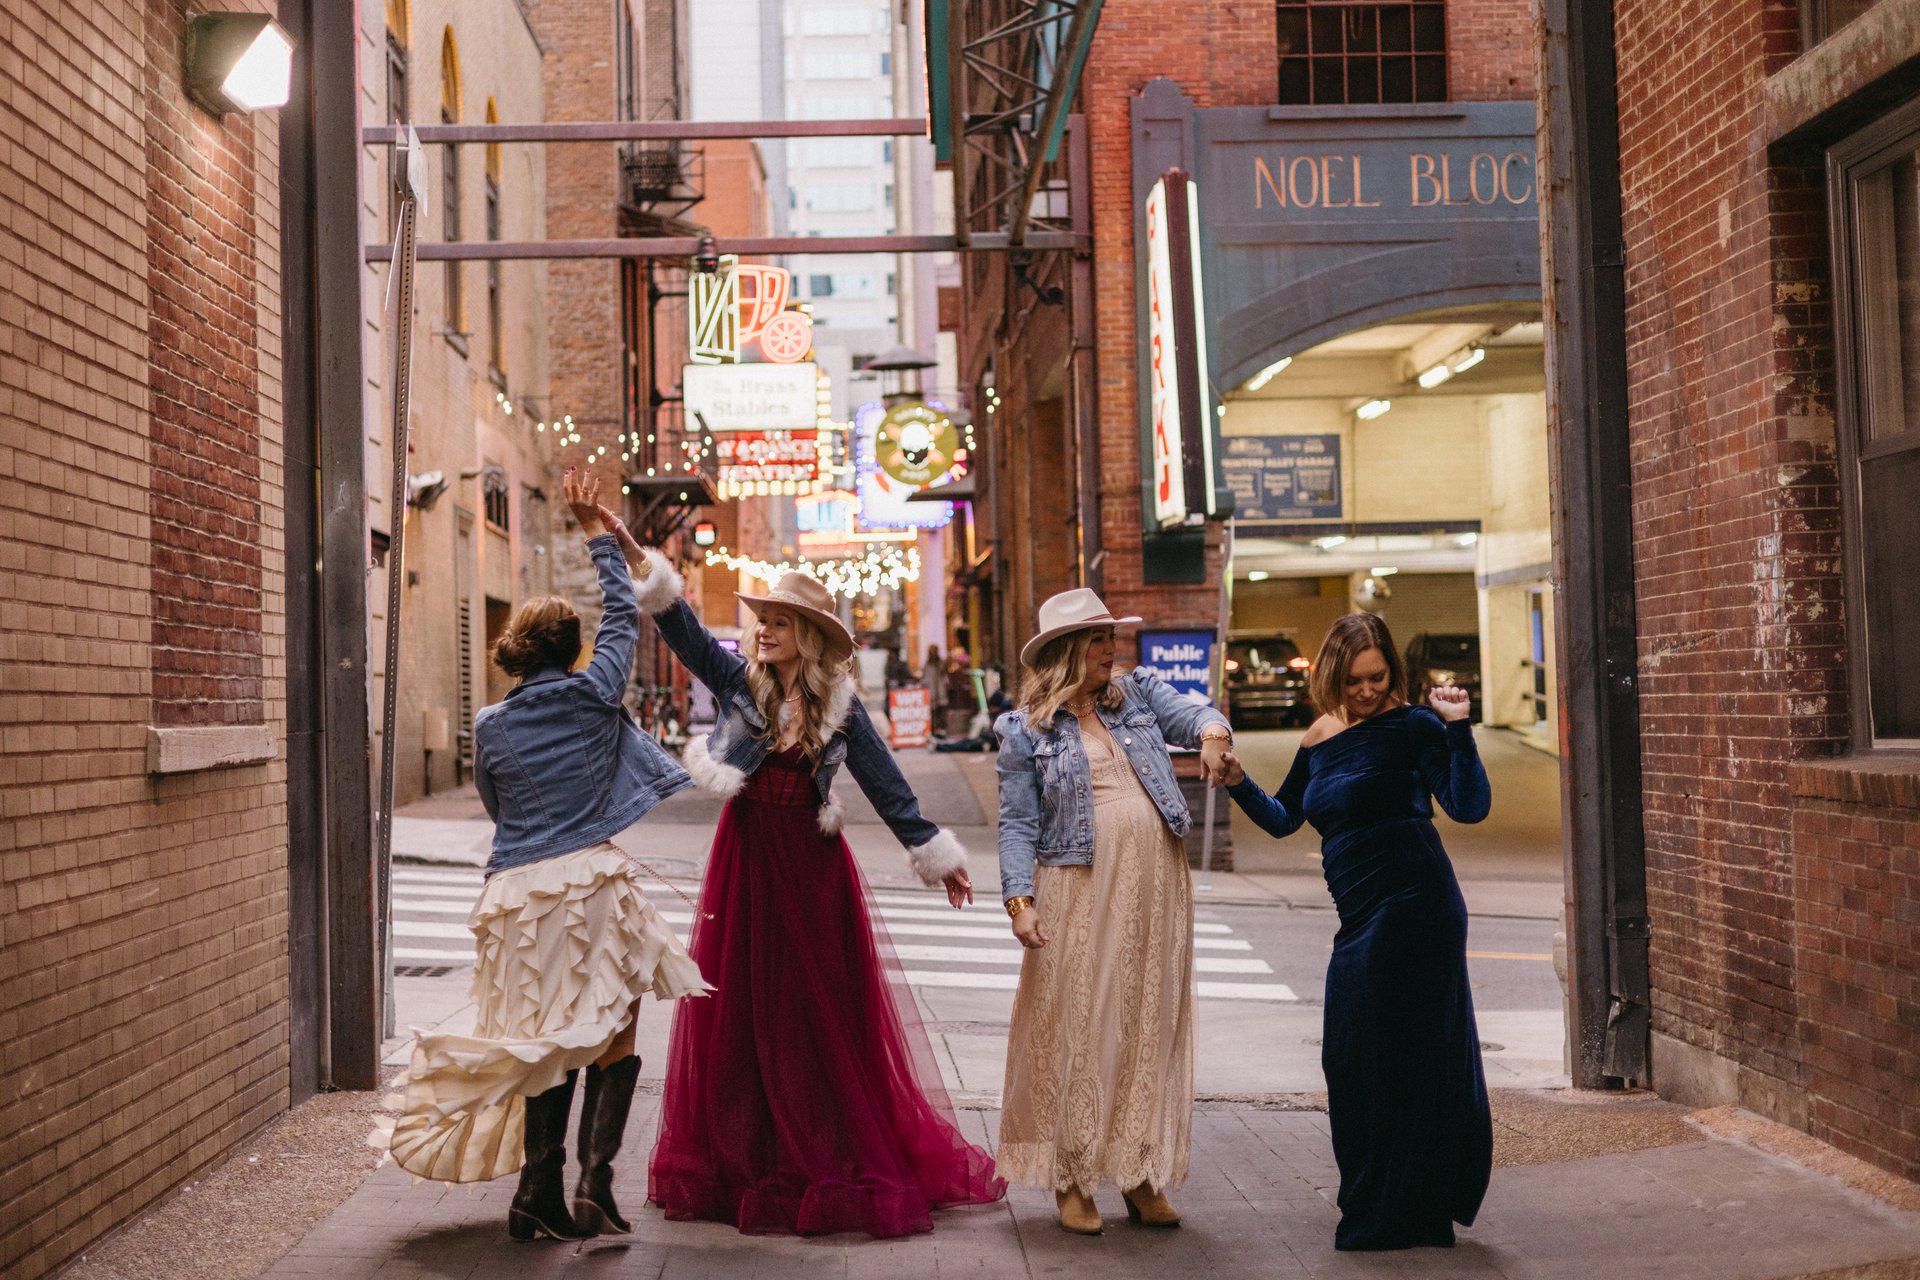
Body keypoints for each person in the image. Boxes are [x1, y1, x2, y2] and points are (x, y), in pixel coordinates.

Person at [603, 514, 1006, 1238]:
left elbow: (885, 784)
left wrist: (936, 855)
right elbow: (685, 632)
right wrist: (638, 557)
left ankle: (819, 1141)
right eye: (763, 620)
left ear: (809, 636)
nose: (764, 631)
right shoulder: (740, 684)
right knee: (743, 1006)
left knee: (814, 1014)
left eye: (780, 622)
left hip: (813, 868)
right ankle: (748, 1152)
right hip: (748, 857)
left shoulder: (840, 706)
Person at [370, 470, 710, 1243]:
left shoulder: (490, 726)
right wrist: (599, 534)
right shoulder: (595, 693)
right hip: (587, 882)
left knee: (544, 1036)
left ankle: (537, 1192)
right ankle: (593, 1184)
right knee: (614, 1026)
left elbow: (499, 810)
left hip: (517, 893)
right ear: (573, 648)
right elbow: (623, 613)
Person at [1219, 611, 1492, 1251]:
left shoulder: (1416, 726)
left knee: (1407, 1058)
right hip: (1360, 916)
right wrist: (1237, 782)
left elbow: (1469, 806)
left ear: (1392, 671)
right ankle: (1377, 1197)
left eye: (1377, 677)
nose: (1367, 691)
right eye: (1353, 681)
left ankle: (1412, 1210)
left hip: (1418, 907)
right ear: (1331, 676)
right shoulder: (1319, 736)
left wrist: (1459, 729)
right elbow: (1285, 818)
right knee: (1351, 1058)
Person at [993, 588, 1233, 1235]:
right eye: (1099, 639)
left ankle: (1137, 1170)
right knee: (1079, 1024)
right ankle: (1072, 1177)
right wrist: (1019, 902)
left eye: (1111, 637)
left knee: (1146, 1023)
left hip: (1155, 885)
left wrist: (1213, 738)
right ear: (1068, 650)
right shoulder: (1025, 729)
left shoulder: (1138, 694)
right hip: (1078, 887)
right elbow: (1017, 823)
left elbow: (1198, 714)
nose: (1112, 649)